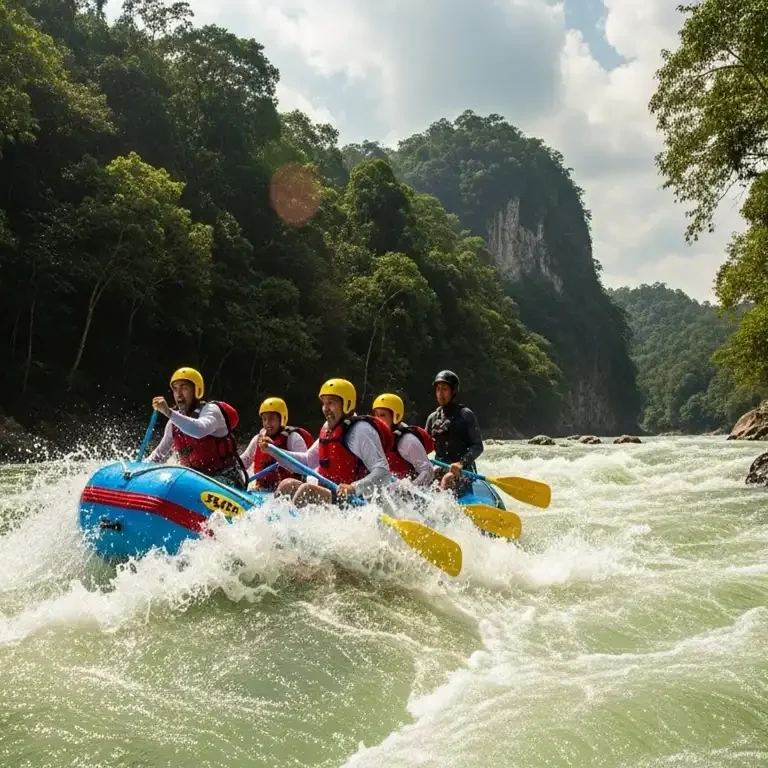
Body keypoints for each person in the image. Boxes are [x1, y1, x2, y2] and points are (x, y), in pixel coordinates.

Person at [261, 378, 393, 507]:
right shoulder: (329, 429)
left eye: (331, 403)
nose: (326, 408)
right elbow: (307, 462)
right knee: (287, 484)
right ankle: (272, 521)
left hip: (354, 500)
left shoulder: (361, 430)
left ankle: (290, 527)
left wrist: (354, 488)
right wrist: (272, 450)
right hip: (332, 495)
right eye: (324, 403)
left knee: (307, 491)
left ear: (346, 404)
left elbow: (383, 473)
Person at [148, 367, 248, 490]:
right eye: (175, 389)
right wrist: (140, 468)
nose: (179, 394)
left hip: (226, 481)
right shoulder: (174, 422)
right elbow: (159, 454)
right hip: (195, 482)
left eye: (184, 388)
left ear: (197, 391)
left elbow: (199, 430)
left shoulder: (212, 410)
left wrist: (168, 412)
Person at [425, 369, 483, 496]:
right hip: (440, 466)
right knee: (428, 476)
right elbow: (423, 448)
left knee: (446, 479)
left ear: (453, 391)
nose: (440, 393)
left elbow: (478, 446)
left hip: (463, 469)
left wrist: (461, 463)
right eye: (438, 389)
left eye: (444, 389)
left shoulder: (465, 415)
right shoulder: (432, 418)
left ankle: (442, 509)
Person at [239, 397, 313, 491]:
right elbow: (244, 461)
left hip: (288, 493)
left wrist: (274, 451)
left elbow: (304, 466)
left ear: (282, 418)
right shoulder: (258, 439)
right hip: (261, 492)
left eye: (271, 419)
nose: (267, 423)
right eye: (264, 419)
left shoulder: (293, 438)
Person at [371, 393, 435, 486]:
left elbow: (428, 472)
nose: (378, 420)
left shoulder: (408, 441)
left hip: (411, 492)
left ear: (396, 417)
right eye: (375, 415)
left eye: (382, 415)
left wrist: (409, 488)